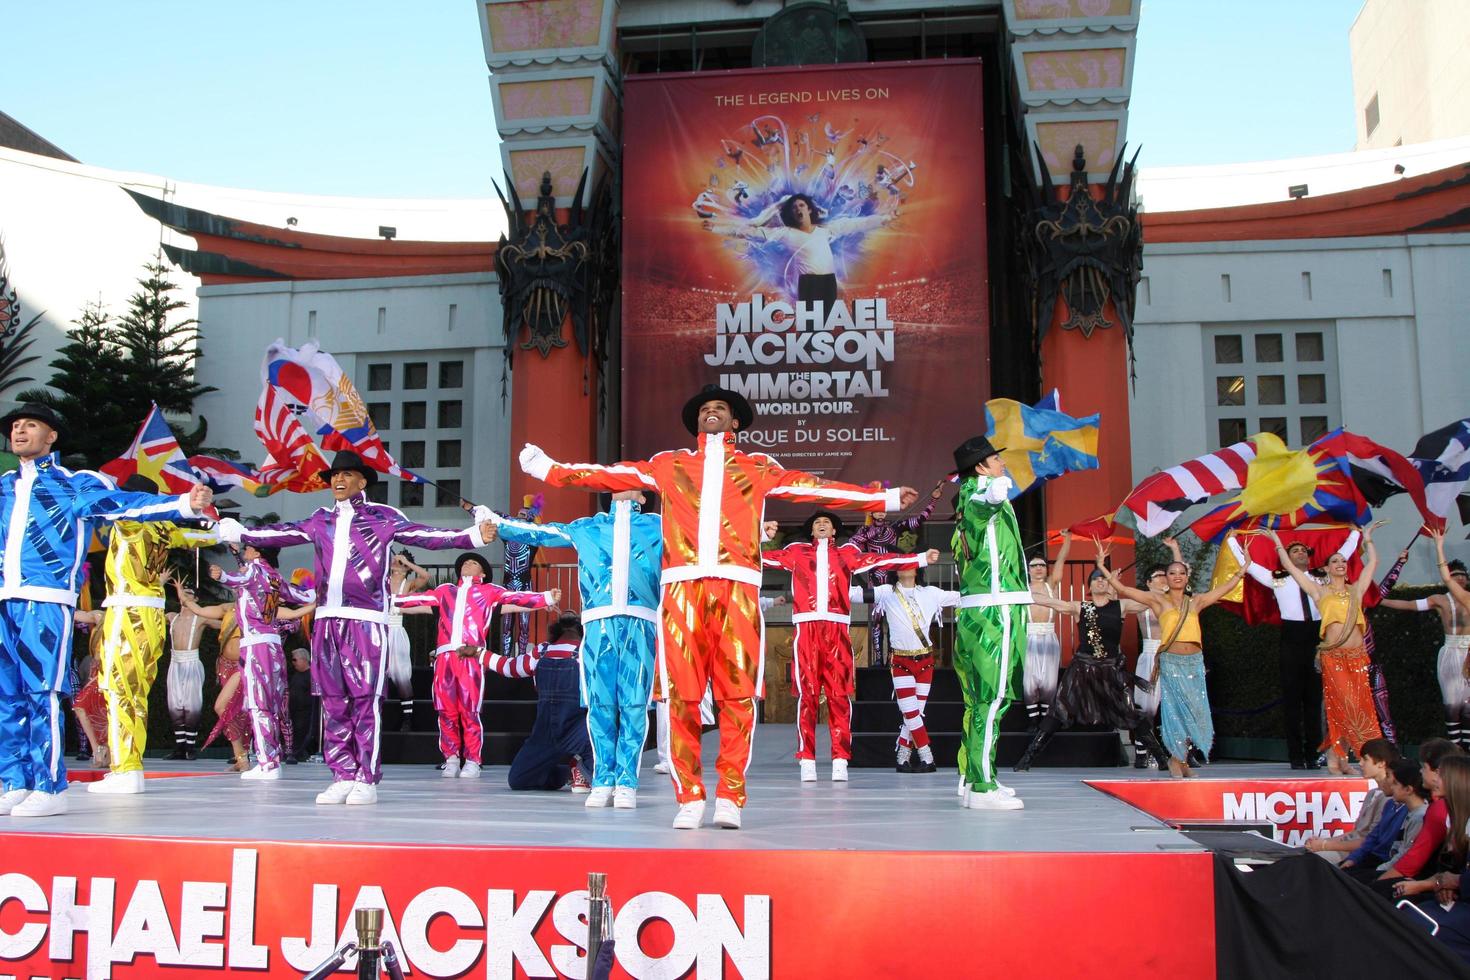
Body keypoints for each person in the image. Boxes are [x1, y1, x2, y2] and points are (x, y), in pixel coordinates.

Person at [518, 383, 915, 829]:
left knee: (737, 696)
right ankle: (689, 796)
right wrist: (549, 470)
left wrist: (880, 499)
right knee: (681, 697)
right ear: (696, 421)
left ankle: (730, 796)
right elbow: (606, 474)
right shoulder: (668, 466)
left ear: (736, 421)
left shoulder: (757, 467)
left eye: (720, 408)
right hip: (682, 592)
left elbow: (811, 488)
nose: (711, 413)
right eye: (705, 408)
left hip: (737, 591)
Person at [214, 450, 494, 806]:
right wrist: (241, 532)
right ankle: (342, 774)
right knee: (332, 702)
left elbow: (427, 535)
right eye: (334, 476)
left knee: (364, 701)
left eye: (347, 474)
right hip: (328, 621)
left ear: (363, 481)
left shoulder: (384, 518)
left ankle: (365, 776)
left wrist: (473, 538)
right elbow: (282, 533)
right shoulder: (320, 520)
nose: (339, 481)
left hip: (366, 622)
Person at [0, 403, 213, 817]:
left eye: (31, 425)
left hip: (44, 602)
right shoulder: (5, 487)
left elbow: (125, 505)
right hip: (4, 599)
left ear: (51, 437)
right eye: (15, 427)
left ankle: (49, 785)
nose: (20, 432)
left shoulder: (74, 483)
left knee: (41, 694)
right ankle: (14, 781)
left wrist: (182, 504)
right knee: (6, 697)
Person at [488, 490, 661, 808]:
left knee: (634, 706)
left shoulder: (658, 526)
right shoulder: (587, 527)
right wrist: (495, 522)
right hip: (596, 625)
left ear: (641, 493)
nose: (624, 487)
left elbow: (697, 538)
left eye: (630, 481)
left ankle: (626, 783)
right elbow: (541, 532)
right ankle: (604, 780)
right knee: (600, 706)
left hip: (640, 623)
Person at [762, 510, 935, 782]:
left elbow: (882, 559)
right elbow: (756, 557)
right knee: (807, 697)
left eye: (827, 523)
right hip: (806, 629)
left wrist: (920, 558)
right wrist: (761, 534)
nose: (821, 525)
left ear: (833, 532)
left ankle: (840, 758)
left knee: (839, 696)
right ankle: (806, 758)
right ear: (811, 531)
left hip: (837, 629)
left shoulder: (847, 554)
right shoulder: (795, 551)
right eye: (817, 522)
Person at [88, 474, 218, 794]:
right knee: (136, 692)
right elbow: (204, 535)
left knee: (118, 688)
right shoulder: (164, 527)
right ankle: (128, 763)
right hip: (153, 613)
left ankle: (125, 768)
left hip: (128, 611)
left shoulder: (132, 520)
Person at [392, 552, 556, 780]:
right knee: (445, 710)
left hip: (470, 656)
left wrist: (546, 598)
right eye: (465, 562)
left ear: (483, 573)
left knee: (469, 709)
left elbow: (516, 597)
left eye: (474, 563)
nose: (467, 564)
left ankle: (472, 760)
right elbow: (419, 599)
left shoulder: (490, 592)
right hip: (444, 657)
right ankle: (450, 758)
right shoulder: (445, 591)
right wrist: (390, 600)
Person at [1015, 546, 1174, 772]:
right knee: (1059, 710)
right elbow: (1049, 602)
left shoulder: (1122, 606)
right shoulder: (1081, 607)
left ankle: (1159, 756)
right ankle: (1027, 758)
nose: (1100, 582)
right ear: (1089, 586)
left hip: (1110, 671)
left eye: (1103, 579)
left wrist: (1167, 585)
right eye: (1096, 579)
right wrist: (1016, 590)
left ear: (1109, 584)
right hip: (1082, 670)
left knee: (1130, 714)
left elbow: (1152, 600)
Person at [1105, 552, 1246, 778]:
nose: (1177, 576)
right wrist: (1107, 573)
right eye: (1172, 573)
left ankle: (1180, 758)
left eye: (1181, 573)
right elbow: (1125, 591)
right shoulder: (1158, 600)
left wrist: (1241, 569)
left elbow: (1224, 589)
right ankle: (1175, 760)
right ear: (1167, 578)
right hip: (1171, 660)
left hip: (1194, 662)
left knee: (1194, 711)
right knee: (1174, 711)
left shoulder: (1196, 601)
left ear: (1187, 577)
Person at [1229, 529, 1361, 769]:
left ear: (1310, 557)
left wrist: (1354, 533)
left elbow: (1343, 554)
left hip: (1318, 636)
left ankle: (1313, 754)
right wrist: (1229, 540)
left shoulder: (1323, 577)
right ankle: (1295, 756)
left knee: (1314, 699)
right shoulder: (1276, 578)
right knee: (1292, 700)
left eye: (1303, 551)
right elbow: (1247, 565)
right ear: (1286, 557)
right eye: (1295, 551)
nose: (1300, 553)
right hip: (1292, 637)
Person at [949, 436, 1033, 810]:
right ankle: (983, 787)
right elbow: (980, 508)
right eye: (996, 460)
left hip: (985, 609)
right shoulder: (978, 492)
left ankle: (972, 778)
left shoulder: (973, 494)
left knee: (979, 701)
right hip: (994, 612)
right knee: (991, 698)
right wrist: (994, 493)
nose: (1002, 464)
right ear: (981, 467)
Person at [1268, 525, 1383, 774]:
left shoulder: (1357, 590)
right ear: (1327, 568)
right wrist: (1278, 541)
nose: (1340, 563)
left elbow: (1374, 562)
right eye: (1335, 561)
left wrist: (1369, 540)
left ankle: (1342, 757)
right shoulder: (1319, 591)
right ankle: (1338, 756)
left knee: (1361, 708)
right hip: (1334, 657)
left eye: (1343, 560)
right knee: (1341, 706)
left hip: (1358, 657)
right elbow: (1289, 567)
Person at [208, 546, 316, 780]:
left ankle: (268, 763)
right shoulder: (274, 576)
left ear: (257, 553)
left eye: (248, 547)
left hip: (256, 645)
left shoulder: (255, 571)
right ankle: (270, 759)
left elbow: (240, 576)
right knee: (269, 705)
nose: (245, 550)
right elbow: (303, 596)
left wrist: (223, 576)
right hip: (272, 646)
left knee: (259, 705)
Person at [705, 193, 898, 305]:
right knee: (811, 327)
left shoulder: (826, 230)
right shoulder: (785, 233)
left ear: (809, 209)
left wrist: (884, 219)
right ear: (790, 214)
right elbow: (748, 232)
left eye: (801, 205)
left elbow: (856, 224)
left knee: (828, 324)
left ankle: (825, 364)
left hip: (829, 282)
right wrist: (716, 228)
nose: (798, 209)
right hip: (808, 284)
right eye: (793, 207)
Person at [1378, 530, 1470, 750]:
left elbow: (1447, 577)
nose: (1458, 578)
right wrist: (1379, 600)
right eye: (1455, 574)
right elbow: (1409, 605)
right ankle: (1456, 748)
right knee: (1451, 702)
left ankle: (1467, 749)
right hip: (1450, 652)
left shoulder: (1467, 598)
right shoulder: (1439, 599)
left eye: (1462, 575)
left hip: (1469, 653)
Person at [870, 566, 960, 773]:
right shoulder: (886, 592)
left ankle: (902, 757)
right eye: (902, 563)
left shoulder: (931, 593)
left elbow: (962, 597)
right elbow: (854, 595)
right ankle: (927, 756)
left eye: (911, 562)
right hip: (901, 661)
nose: (907, 566)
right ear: (895, 570)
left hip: (925, 660)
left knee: (915, 713)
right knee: (911, 712)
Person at [848, 484, 941, 666]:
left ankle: (892, 656)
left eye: (884, 509)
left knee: (894, 618)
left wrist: (934, 499)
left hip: (893, 580)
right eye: (877, 509)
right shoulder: (865, 531)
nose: (881, 513)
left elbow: (920, 519)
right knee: (876, 620)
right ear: (871, 512)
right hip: (875, 579)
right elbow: (852, 545)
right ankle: (877, 659)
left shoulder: (894, 528)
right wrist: (871, 533)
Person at [506, 614, 594, 793]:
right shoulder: (587, 651)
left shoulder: (543, 650)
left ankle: (579, 770)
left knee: (518, 780)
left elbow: (509, 667)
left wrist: (480, 654)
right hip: (566, 733)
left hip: (556, 733)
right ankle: (577, 770)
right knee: (518, 780)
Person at [1383, 739, 1464, 896]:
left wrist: (1373, 888)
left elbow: (1413, 860)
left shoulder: (1441, 808)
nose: (1420, 772)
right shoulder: (1441, 806)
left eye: (1424, 767)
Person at [1304, 737, 1399, 865]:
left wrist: (1325, 845)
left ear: (1381, 763)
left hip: (1355, 856)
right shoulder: (1372, 793)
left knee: (1310, 862)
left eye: (1365, 759)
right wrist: (1324, 841)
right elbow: (1356, 833)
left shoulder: (1389, 799)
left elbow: (1369, 840)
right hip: (1346, 850)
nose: (1360, 764)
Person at [162, 569, 215, 760]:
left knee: (192, 705)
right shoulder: (171, 616)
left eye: (189, 593)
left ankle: (190, 747)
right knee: (174, 704)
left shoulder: (201, 618)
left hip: (192, 661)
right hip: (175, 661)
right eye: (183, 592)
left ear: (196, 599)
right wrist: (160, 584)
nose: (184, 595)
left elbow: (225, 622)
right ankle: (179, 747)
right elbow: (150, 612)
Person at [1022, 533, 1070, 731]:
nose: (1038, 568)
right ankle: (1033, 721)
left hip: (1049, 637)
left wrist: (1067, 540)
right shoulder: (1022, 588)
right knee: (1030, 681)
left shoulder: (1051, 586)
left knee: (1049, 682)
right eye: (1034, 565)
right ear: (1028, 569)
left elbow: (1061, 561)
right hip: (1029, 636)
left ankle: (1045, 720)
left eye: (1041, 565)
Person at [385, 550, 430, 732]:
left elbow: (425, 576)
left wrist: (406, 562)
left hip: (396, 630)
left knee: (402, 675)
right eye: (396, 561)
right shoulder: (383, 580)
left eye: (400, 562)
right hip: (378, 629)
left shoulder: (408, 584)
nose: (396, 563)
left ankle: (407, 719)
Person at [1131, 563, 1170, 768]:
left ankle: (1182, 752)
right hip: (1149, 653)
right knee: (1145, 706)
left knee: (1173, 704)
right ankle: (1141, 751)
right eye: (1158, 575)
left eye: (1166, 575)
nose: (1164, 578)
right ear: (1148, 582)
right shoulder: (1142, 600)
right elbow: (1115, 598)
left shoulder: (1175, 600)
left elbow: (1184, 573)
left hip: (1171, 653)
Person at [287, 648, 316, 763]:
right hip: (293, 711)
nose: (293, 663)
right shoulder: (295, 674)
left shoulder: (311, 675)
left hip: (305, 712)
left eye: (295, 660)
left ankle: (301, 753)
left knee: (302, 734)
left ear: (304, 660)